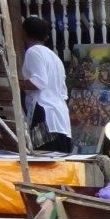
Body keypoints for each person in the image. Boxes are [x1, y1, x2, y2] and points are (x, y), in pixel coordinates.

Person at [20, 16, 72, 153]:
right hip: (60, 114)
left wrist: (16, 85)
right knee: (60, 157)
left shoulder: (33, 52)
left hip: (44, 114)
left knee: (44, 157)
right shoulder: (53, 56)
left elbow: (39, 82)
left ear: (24, 32)